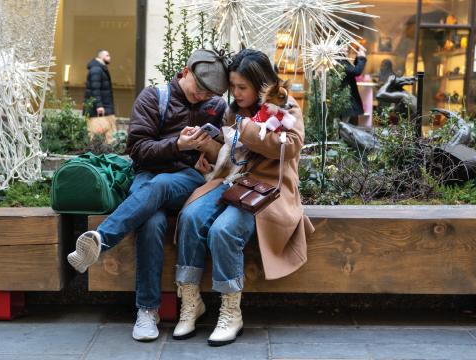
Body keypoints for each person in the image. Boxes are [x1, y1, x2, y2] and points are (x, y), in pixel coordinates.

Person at [67, 49, 231, 341]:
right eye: (200, 89)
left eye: (210, 94)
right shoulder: (154, 98)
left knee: (164, 184)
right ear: (185, 72)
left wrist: (206, 151)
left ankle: (101, 240)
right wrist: (177, 146)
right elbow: (138, 150)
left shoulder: (216, 106)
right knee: (152, 220)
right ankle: (147, 312)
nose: (204, 97)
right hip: (146, 175)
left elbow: (228, 152)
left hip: (188, 180)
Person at [172, 50, 315, 346]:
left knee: (224, 230)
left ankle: (231, 311)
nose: (236, 94)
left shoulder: (283, 106)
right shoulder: (234, 110)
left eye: (242, 88)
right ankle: (191, 302)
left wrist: (245, 127)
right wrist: (207, 151)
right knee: (190, 217)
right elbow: (232, 152)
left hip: (268, 191)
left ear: (261, 84)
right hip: (233, 181)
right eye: (233, 87)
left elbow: (289, 147)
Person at [85, 50, 117, 142]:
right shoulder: (97, 69)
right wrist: (99, 105)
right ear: (101, 57)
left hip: (105, 106)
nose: (109, 57)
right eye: (107, 55)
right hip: (100, 109)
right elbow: (95, 88)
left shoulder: (100, 68)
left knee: (109, 134)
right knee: (100, 135)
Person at [338, 44, 367, 123]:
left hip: (342, 98)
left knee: (341, 125)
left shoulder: (339, 60)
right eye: (344, 47)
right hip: (343, 99)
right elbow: (356, 71)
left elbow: (352, 70)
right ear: (338, 48)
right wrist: (362, 58)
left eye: (347, 47)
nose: (347, 49)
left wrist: (358, 58)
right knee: (342, 125)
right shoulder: (339, 62)